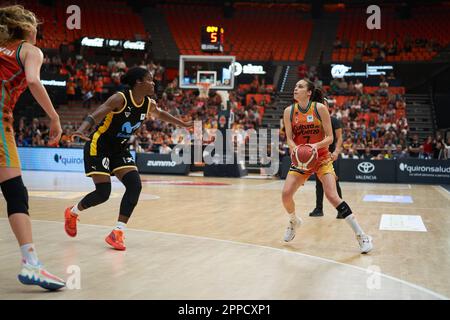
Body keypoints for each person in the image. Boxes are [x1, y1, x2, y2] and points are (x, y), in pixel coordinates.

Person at [64, 67, 193, 251]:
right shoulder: (120, 98)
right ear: (138, 82)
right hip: (99, 146)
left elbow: (161, 114)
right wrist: (81, 129)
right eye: (150, 79)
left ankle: (117, 232)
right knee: (103, 193)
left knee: (135, 185)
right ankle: (72, 212)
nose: (153, 83)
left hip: (120, 149)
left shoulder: (148, 103)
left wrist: (182, 124)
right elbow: (97, 113)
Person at [0, 5, 65, 290]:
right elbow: (33, 80)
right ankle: (31, 264)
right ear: (27, 28)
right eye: (36, 26)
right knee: (15, 192)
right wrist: (54, 116)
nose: (38, 31)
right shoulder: (29, 50)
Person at [281, 78, 373, 253]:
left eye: (300, 86)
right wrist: (295, 149)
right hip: (302, 159)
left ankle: (361, 235)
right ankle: (294, 221)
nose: (295, 89)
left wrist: (313, 147)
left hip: (321, 157)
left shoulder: (320, 109)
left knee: (332, 196)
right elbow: (290, 138)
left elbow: (330, 138)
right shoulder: (288, 111)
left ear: (308, 92)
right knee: (286, 195)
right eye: (295, 86)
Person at [309, 99, 344, 218]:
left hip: (331, 156)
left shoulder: (334, 121)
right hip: (318, 157)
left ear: (327, 107)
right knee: (319, 183)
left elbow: (339, 138)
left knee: (335, 182)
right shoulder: (314, 122)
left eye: (322, 104)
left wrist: (336, 152)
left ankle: (341, 210)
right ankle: (319, 209)